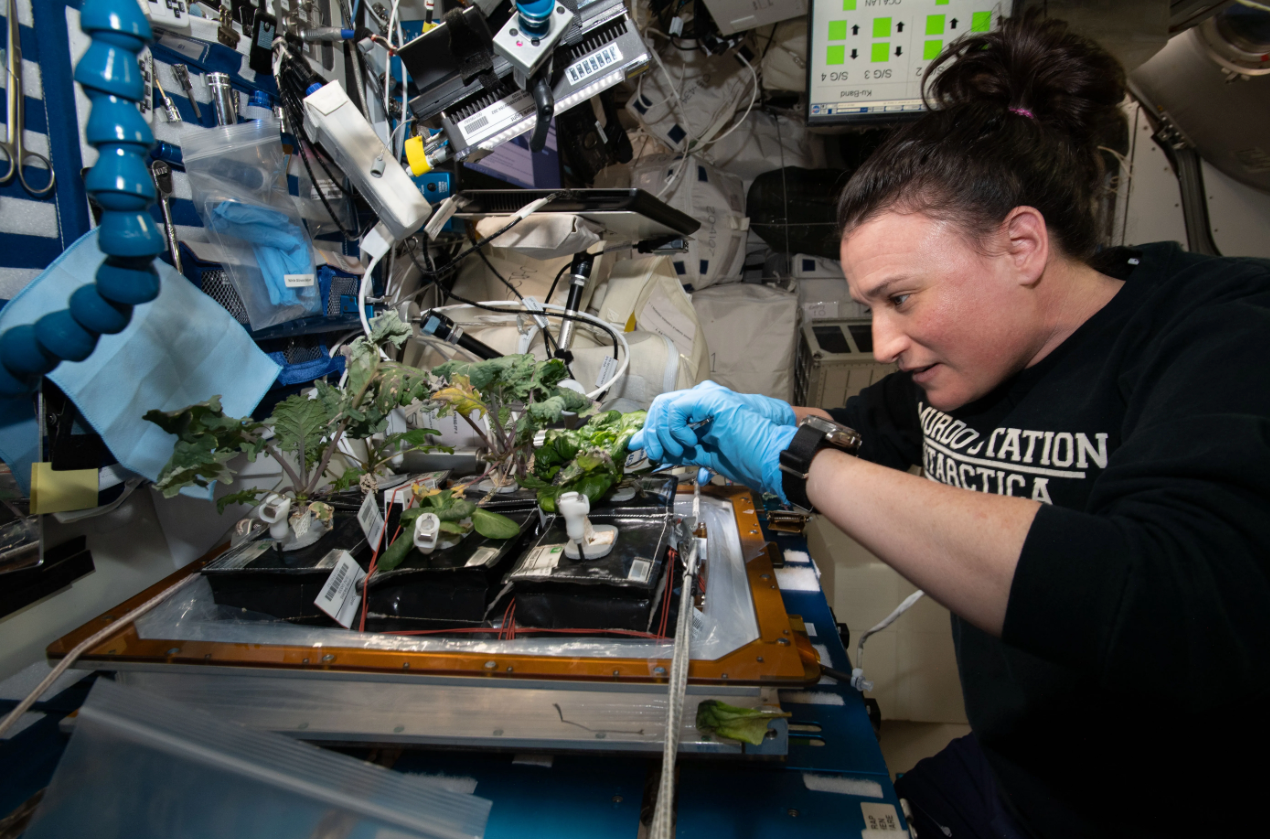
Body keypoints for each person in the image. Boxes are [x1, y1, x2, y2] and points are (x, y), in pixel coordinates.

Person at [628, 12, 1270, 839]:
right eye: (870, 309)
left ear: (1022, 245)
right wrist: (757, 419)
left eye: (902, 298)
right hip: (1012, 775)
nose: (886, 342)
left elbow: (1169, 597)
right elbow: (863, 433)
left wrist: (798, 456)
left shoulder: (1220, 332)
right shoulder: (962, 370)